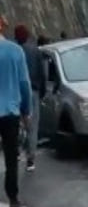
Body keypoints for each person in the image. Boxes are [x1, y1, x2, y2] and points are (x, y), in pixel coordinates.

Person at [0, 15, 31, 207]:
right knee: (12, 157)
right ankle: (13, 197)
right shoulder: (15, 51)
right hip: (10, 112)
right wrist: (26, 111)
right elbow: (24, 84)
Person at [14, 25, 46, 172]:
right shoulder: (35, 51)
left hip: (14, 92)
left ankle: (17, 149)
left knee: (17, 123)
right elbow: (42, 73)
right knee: (32, 126)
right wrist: (43, 91)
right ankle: (30, 159)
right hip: (32, 90)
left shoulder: (12, 51)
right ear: (27, 36)